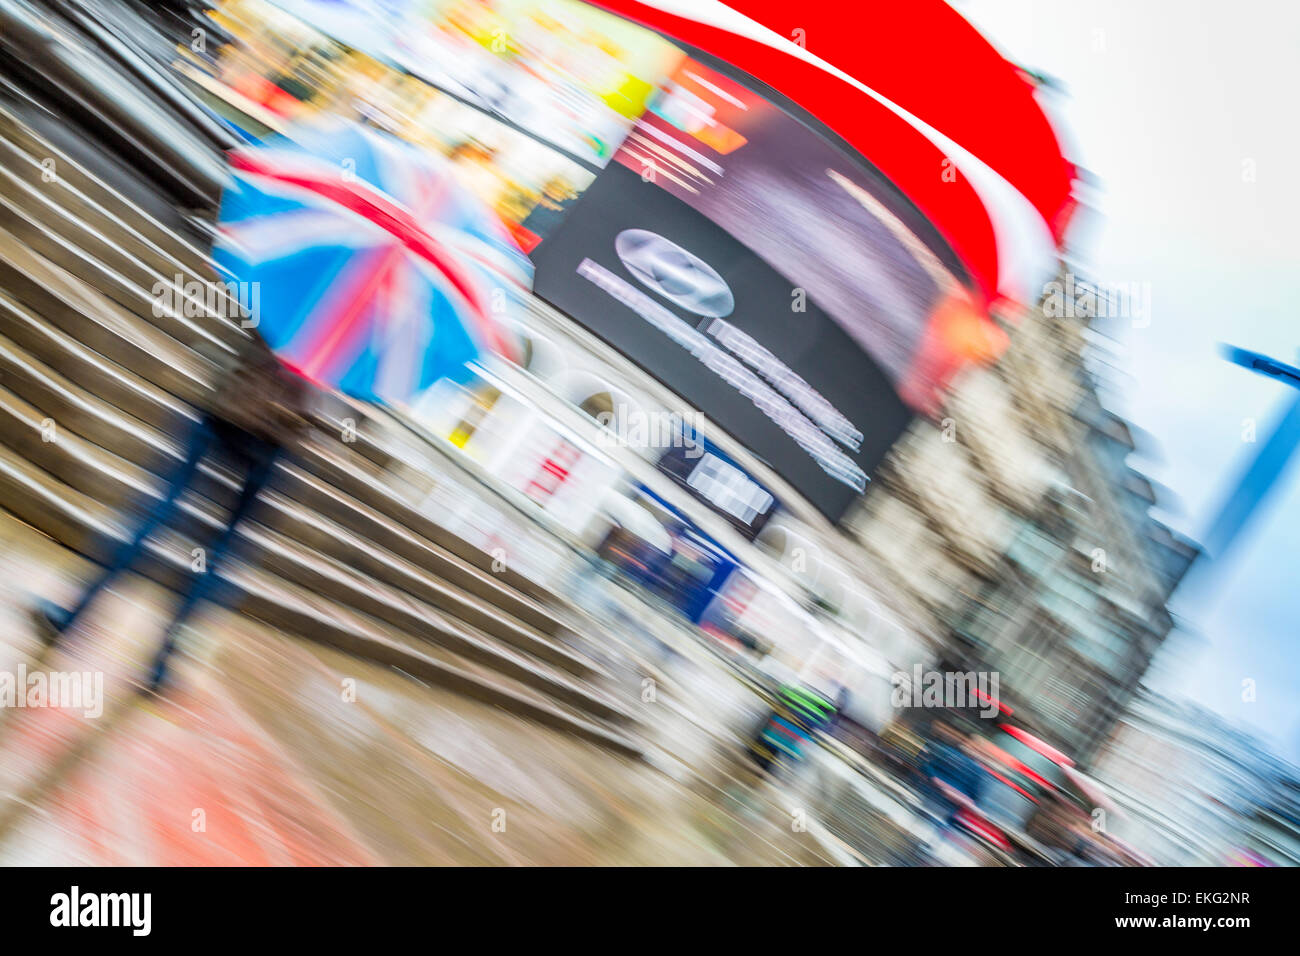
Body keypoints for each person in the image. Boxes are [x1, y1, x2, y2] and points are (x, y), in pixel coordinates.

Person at [31, 332, 313, 693]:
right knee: (225, 551)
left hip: (232, 400)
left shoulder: (294, 281)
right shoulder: (370, 323)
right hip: (281, 437)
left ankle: (71, 616)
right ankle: (162, 666)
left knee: (157, 513)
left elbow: (246, 302)